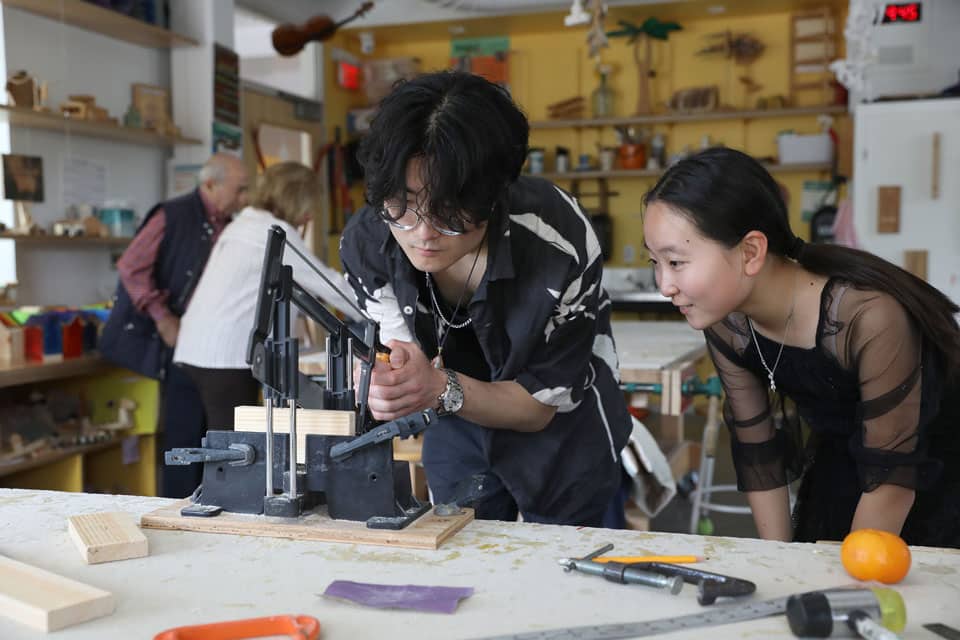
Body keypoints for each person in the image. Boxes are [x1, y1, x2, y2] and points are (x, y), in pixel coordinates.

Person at [339, 70, 632, 527]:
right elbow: (404, 356)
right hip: (454, 427)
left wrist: (436, 388)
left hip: (562, 434)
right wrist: (390, 383)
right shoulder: (369, 242)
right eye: (403, 204)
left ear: (493, 196)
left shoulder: (558, 244)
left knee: (568, 559)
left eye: (449, 211)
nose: (423, 233)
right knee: (461, 548)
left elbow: (538, 407)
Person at [642, 147, 960, 548]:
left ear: (751, 252)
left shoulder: (869, 317)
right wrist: (779, 560)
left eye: (675, 262)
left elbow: (891, 480)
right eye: (654, 262)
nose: (664, 285)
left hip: (930, 472)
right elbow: (758, 452)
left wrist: (849, 579)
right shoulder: (727, 321)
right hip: (844, 462)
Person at [99, 153, 250, 498]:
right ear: (210, 184)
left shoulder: (230, 224)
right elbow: (131, 267)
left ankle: (211, 507)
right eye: (239, 190)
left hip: (213, 343)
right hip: (180, 342)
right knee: (185, 432)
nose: (245, 199)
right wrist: (163, 317)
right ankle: (177, 510)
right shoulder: (172, 215)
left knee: (213, 436)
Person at [174, 162, 361, 428]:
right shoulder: (273, 232)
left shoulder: (243, 224)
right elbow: (330, 286)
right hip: (226, 358)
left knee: (202, 447)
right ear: (294, 200)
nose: (309, 217)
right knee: (236, 448)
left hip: (193, 350)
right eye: (307, 207)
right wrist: (380, 315)